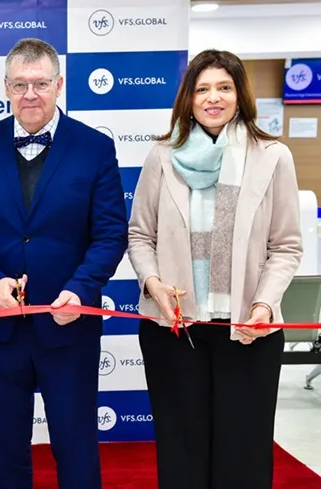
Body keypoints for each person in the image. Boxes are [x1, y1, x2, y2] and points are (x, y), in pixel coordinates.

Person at [0, 38, 128, 489]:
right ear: (6, 87)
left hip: (70, 325)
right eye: (20, 85)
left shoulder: (95, 148)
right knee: (5, 449)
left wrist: (80, 289)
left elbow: (110, 233)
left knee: (76, 446)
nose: (30, 94)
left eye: (41, 84)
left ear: (59, 85)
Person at [127, 49, 303, 489]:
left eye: (224, 87)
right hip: (174, 330)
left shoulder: (273, 156)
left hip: (248, 331)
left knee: (243, 457)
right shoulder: (161, 155)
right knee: (182, 455)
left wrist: (264, 304)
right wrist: (153, 283)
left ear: (240, 94)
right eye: (202, 88)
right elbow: (140, 236)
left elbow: (285, 246)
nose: (213, 97)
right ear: (188, 98)